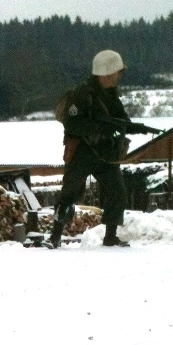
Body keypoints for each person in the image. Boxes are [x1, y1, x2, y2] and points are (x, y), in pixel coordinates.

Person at [45, 50, 153, 248]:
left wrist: (133, 127)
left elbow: (120, 119)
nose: (120, 76)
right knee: (70, 193)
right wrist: (101, 127)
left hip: (105, 153)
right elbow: (72, 125)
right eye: (117, 72)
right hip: (81, 153)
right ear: (107, 73)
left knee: (117, 190)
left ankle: (110, 236)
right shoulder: (82, 94)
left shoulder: (110, 95)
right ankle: (55, 237)